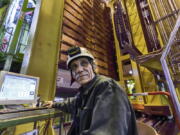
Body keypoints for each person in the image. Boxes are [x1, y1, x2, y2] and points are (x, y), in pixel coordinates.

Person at [44, 46, 138, 135]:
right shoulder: (85, 92)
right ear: (72, 74)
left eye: (84, 63)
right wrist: (53, 104)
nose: (79, 70)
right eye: (74, 67)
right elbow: (72, 103)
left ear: (93, 66)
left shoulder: (107, 87)